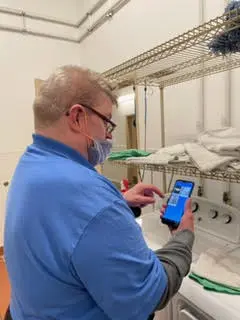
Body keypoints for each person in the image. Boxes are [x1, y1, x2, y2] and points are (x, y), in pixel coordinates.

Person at [4, 65, 194, 320]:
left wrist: (120, 203)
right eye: (106, 121)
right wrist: (183, 237)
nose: (107, 135)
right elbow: (151, 294)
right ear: (78, 117)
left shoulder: (32, 163)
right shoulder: (89, 194)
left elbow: (62, 229)